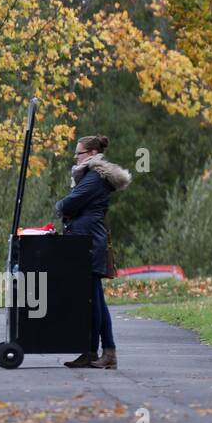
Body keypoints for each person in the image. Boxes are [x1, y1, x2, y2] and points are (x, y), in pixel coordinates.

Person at [56, 134, 131, 369]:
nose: (75, 157)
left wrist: (61, 206)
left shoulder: (95, 177)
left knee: (92, 301)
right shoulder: (92, 175)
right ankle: (100, 351)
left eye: (78, 153)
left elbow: (68, 205)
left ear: (90, 154)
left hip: (88, 244)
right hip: (86, 241)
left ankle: (100, 352)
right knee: (94, 299)